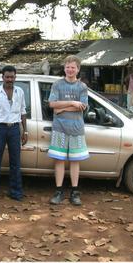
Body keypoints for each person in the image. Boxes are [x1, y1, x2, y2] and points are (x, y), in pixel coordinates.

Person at [48, 55, 90, 206]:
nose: (70, 70)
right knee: (59, 160)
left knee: (75, 161)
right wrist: (72, 102)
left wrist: (62, 107)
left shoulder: (82, 87)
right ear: (64, 68)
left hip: (76, 128)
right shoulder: (57, 84)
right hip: (59, 128)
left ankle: (74, 192)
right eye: (68, 67)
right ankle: (58, 191)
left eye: (73, 67)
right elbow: (52, 104)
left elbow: (83, 107)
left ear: (78, 69)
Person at [0, 65, 28, 202]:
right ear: (2, 77)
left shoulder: (20, 92)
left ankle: (16, 192)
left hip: (14, 129)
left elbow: (23, 112)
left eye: (12, 77)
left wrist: (25, 131)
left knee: (15, 162)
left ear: (15, 77)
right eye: (7, 77)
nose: (10, 79)